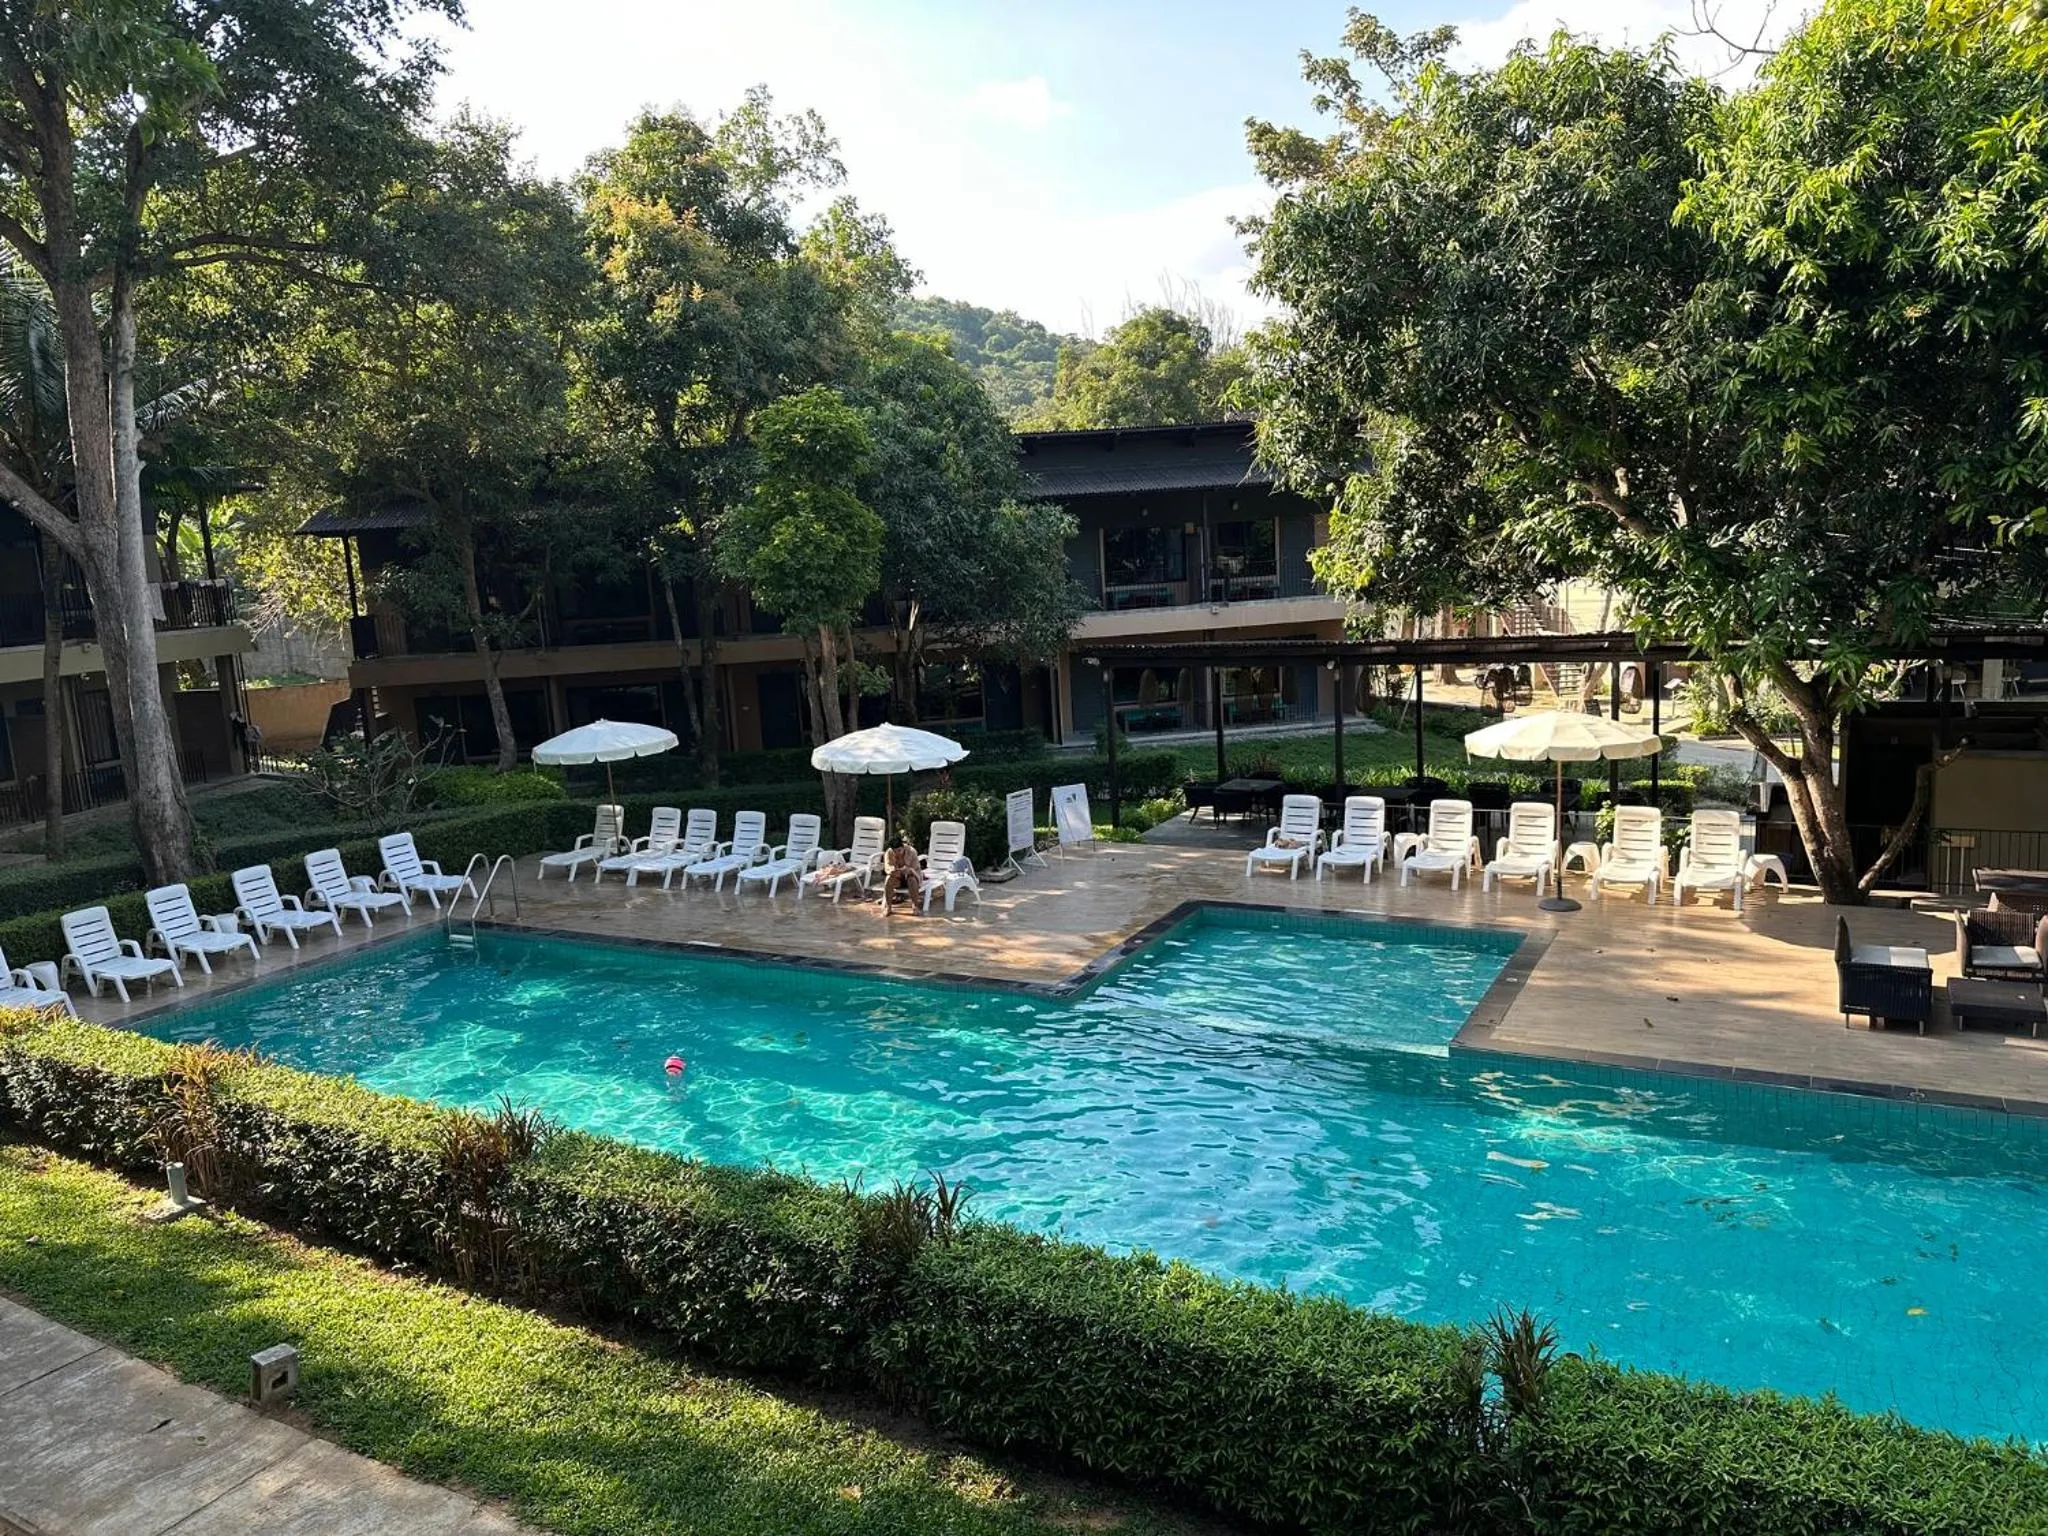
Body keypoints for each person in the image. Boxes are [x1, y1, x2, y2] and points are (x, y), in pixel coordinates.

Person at [878, 833, 922, 915]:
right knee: (888, 878)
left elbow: (916, 869)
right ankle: (888, 907)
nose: (897, 853)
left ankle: (915, 906)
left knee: (911, 879)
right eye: (895, 851)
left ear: (903, 847)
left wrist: (909, 870)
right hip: (897, 878)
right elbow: (887, 867)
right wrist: (892, 870)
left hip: (911, 877)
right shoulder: (888, 853)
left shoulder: (912, 851)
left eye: (899, 850)